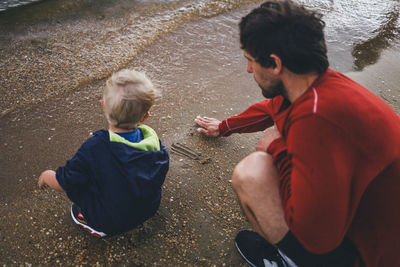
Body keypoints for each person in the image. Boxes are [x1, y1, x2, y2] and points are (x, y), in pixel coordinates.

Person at [195, 1, 400, 266]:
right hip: (367, 214)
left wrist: (275, 146)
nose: (248, 70)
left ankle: (289, 261)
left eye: (250, 61)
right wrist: (224, 127)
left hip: (373, 253)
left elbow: (317, 239)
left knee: (252, 173)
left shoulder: (317, 120)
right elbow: (271, 107)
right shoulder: (320, 86)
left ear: (275, 63)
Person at [38, 69, 169, 237]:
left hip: (109, 221)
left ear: (102, 105)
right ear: (145, 116)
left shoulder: (96, 148)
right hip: (148, 208)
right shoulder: (154, 143)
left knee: (83, 181)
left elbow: (66, 182)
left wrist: (47, 176)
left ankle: (90, 222)